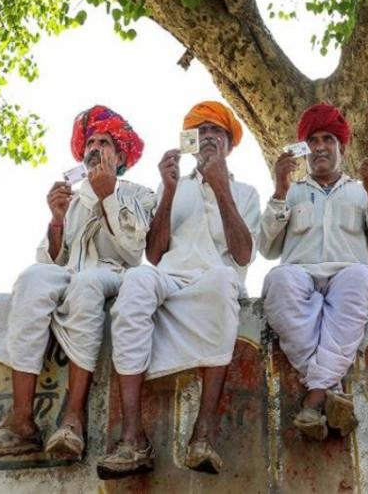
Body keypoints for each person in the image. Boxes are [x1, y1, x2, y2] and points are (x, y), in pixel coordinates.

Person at [0, 106, 154, 460]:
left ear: (119, 156)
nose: (94, 147)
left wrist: (109, 196)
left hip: (111, 274)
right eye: (90, 141)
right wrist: (57, 221)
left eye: (104, 142)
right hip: (68, 272)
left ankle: (74, 420)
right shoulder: (72, 195)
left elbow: (133, 254)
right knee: (30, 277)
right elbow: (51, 261)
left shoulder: (140, 194)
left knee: (86, 284)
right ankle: (22, 422)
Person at [98, 101, 260, 478]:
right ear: (189, 140)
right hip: (169, 276)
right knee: (136, 280)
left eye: (215, 131)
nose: (206, 137)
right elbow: (154, 255)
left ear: (229, 143)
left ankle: (203, 435)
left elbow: (242, 255)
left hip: (212, 279)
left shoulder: (247, 192)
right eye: (200, 131)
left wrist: (221, 186)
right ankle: (133, 438)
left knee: (224, 279)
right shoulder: (171, 184)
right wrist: (169, 190)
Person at [260, 103, 368, 441]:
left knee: (360, 276)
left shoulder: (362, 190)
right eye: (313, 141)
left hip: (349, 278)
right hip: (301, 276)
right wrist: (278, 189)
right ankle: (327, 389)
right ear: (305, 149)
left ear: (342, 148)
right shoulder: (290, 192)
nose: (320, 147)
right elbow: (266, 248)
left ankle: (314, 398)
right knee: (277, 278)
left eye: (328, 140)